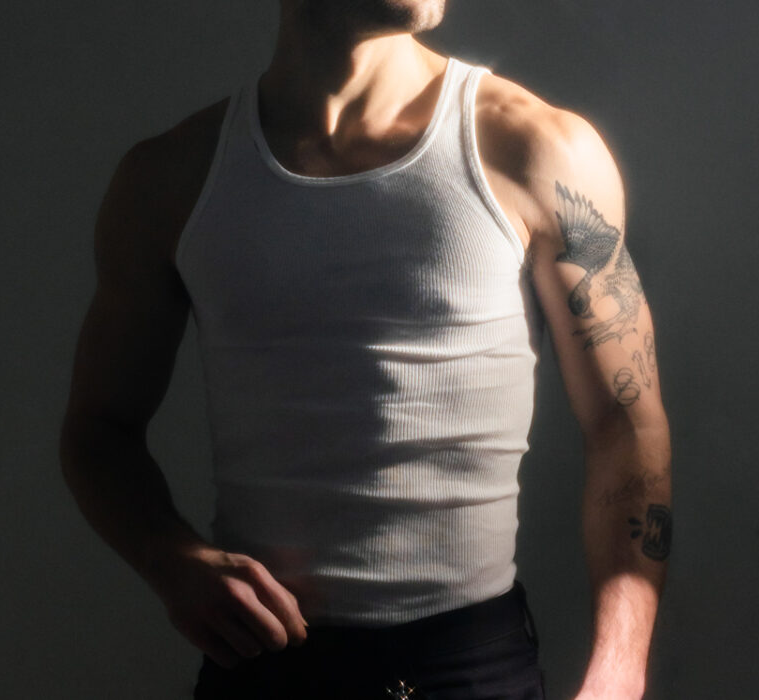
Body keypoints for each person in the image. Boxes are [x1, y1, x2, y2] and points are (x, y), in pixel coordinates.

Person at [58, 1, 672, 698]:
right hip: (269, 667)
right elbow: (98, 428)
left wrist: (620, 671)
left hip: (472, 667)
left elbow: (626, 425)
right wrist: (170, 559)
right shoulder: (172, 179)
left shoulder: (537, 148)